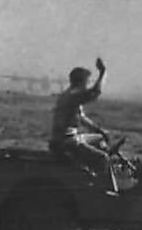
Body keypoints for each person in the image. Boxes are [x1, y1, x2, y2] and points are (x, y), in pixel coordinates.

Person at [49, 58, 116, 192]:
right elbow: (95, 92)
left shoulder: (70, 96)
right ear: (81, 82)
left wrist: (100, 130)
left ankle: (91, 171)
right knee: (103, 159)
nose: (88, 84)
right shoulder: (73, 96)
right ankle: (103, 192)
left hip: (69, 138)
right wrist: (103, 73)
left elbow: (82, 118)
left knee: (100, 139)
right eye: (87, 81)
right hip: (67, 142)